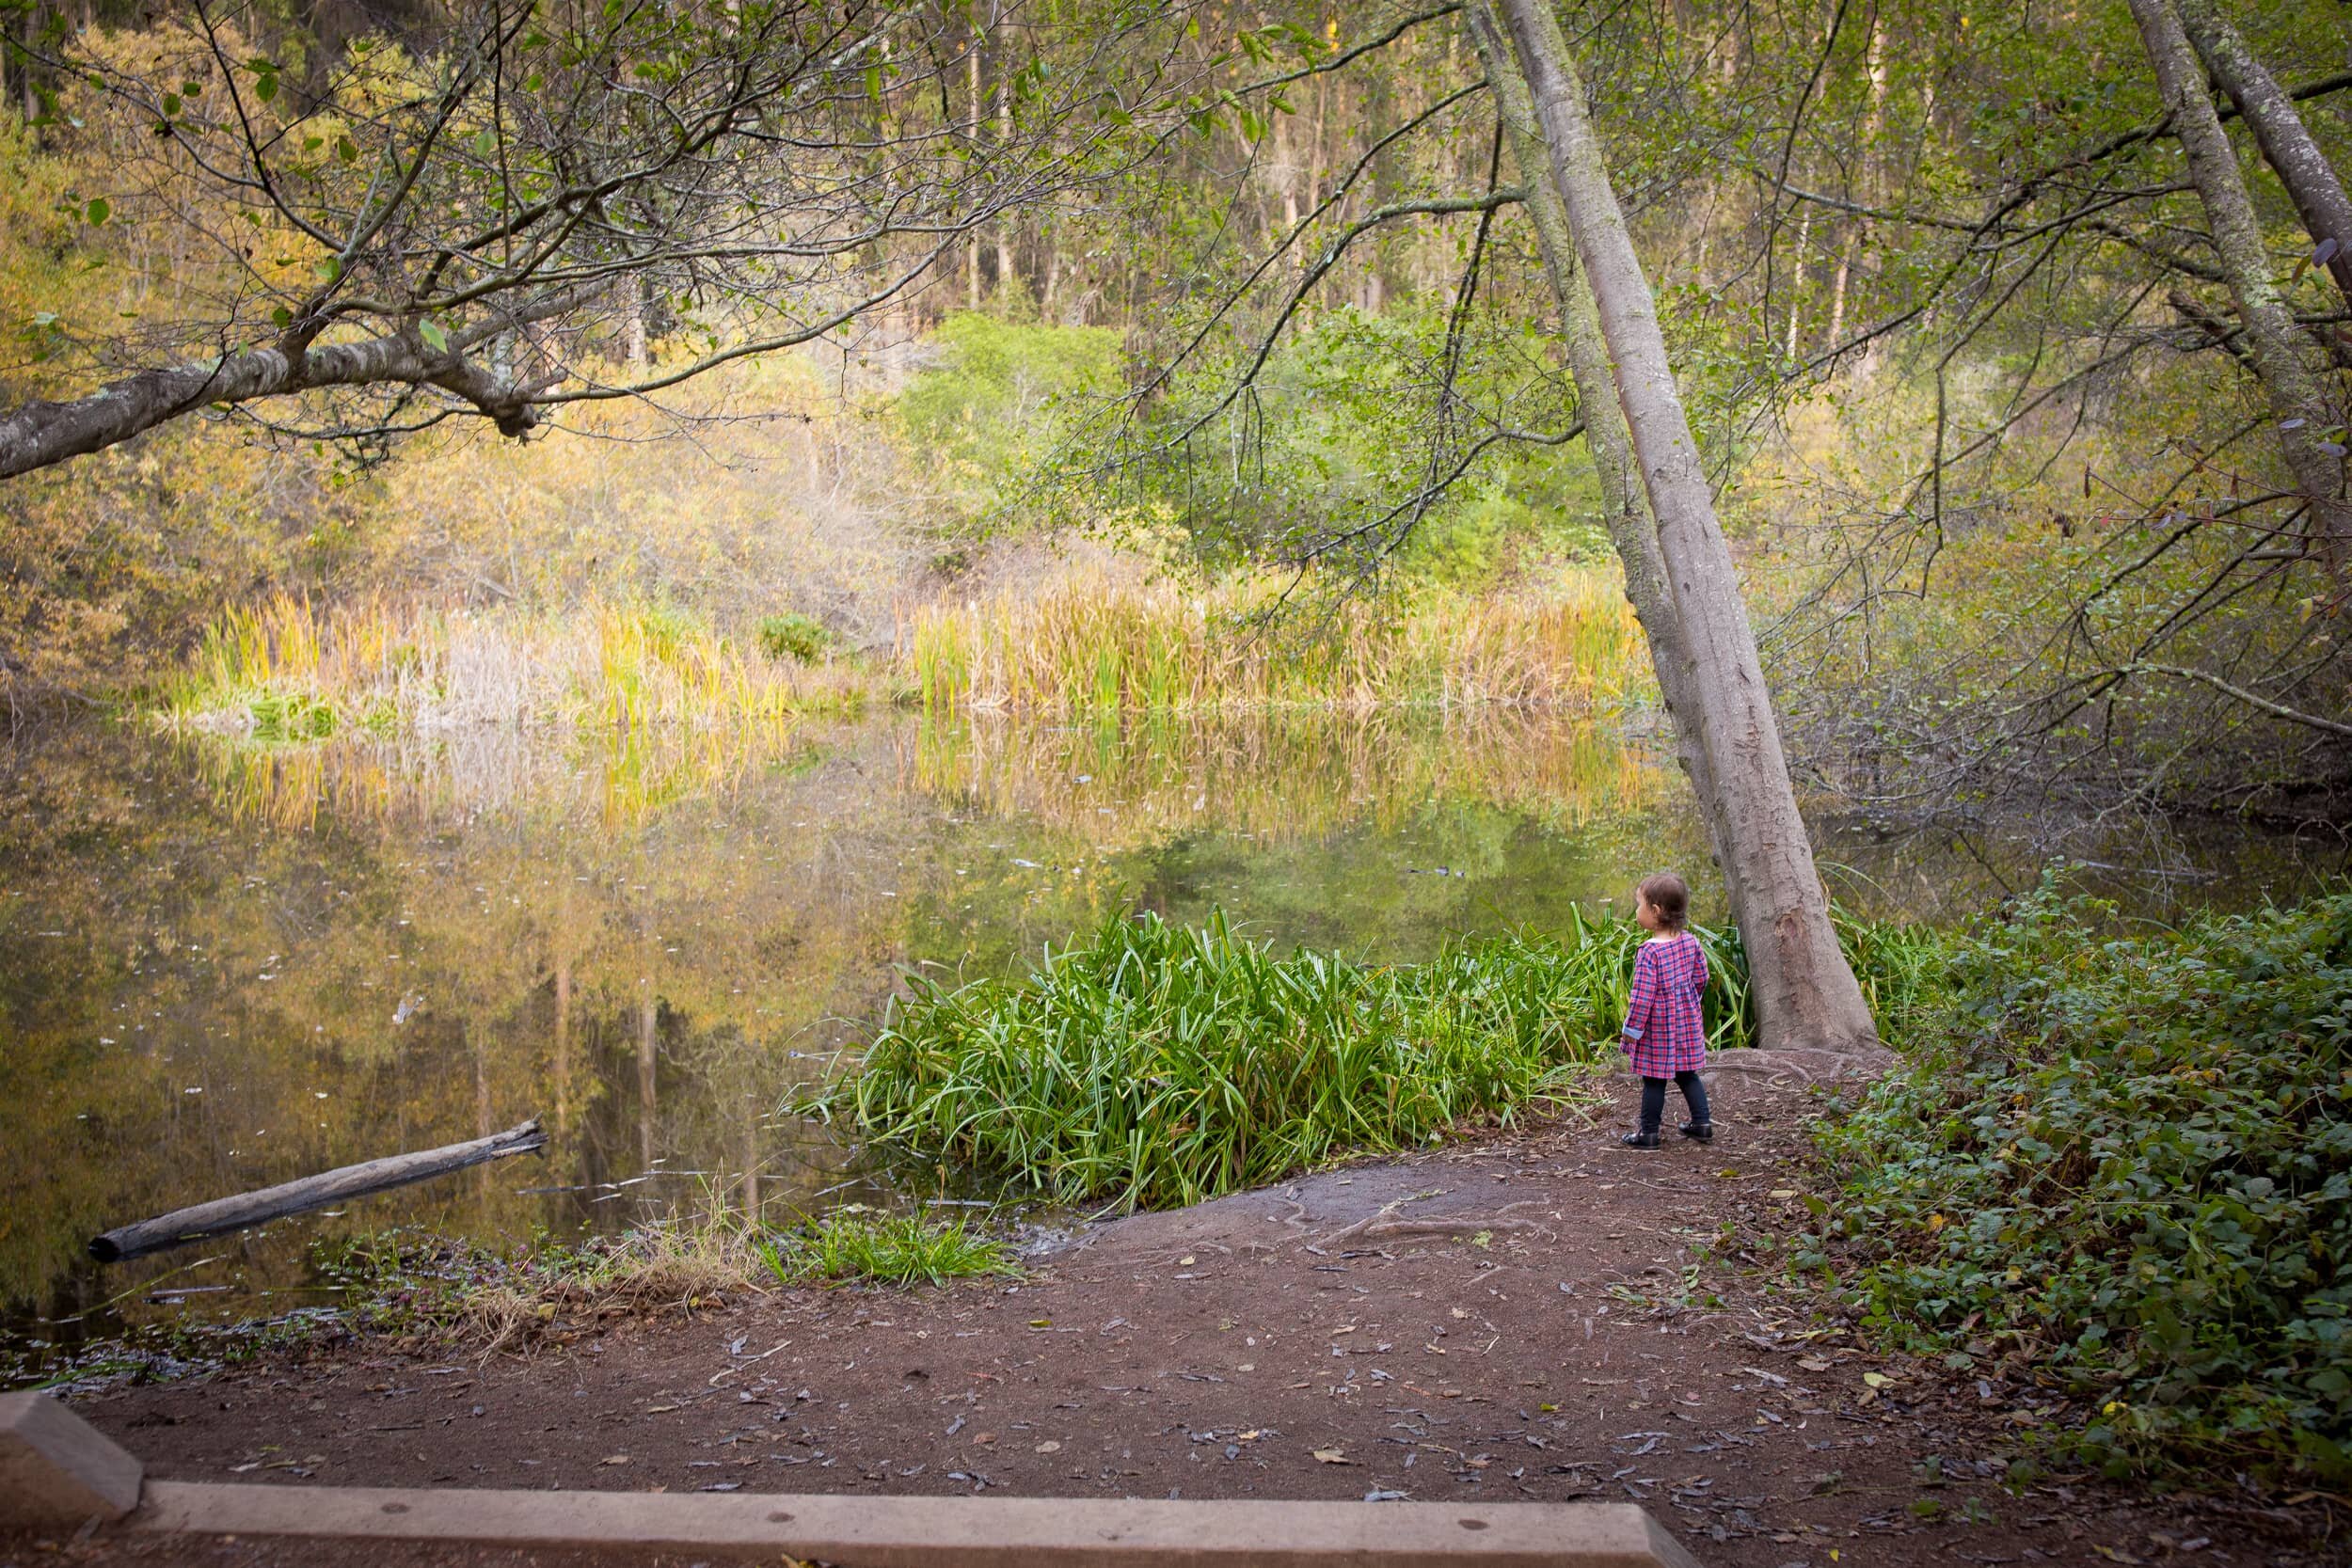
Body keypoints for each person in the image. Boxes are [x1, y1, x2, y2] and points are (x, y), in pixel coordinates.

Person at [1617, 872, 1713, 1149]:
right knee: (1687, 1073)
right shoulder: (1690, 942)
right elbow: (1701, 978)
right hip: (1686, 1022)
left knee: (1654, 1079)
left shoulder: (1649, 952)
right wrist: (1688, 1004)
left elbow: (1642, 998)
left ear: (1655, 911)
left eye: (1639, 905)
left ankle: (1648, 1133)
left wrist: (1631, 1031)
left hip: (1658, 1028)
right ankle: (1702, 1123)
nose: (1637, 911)